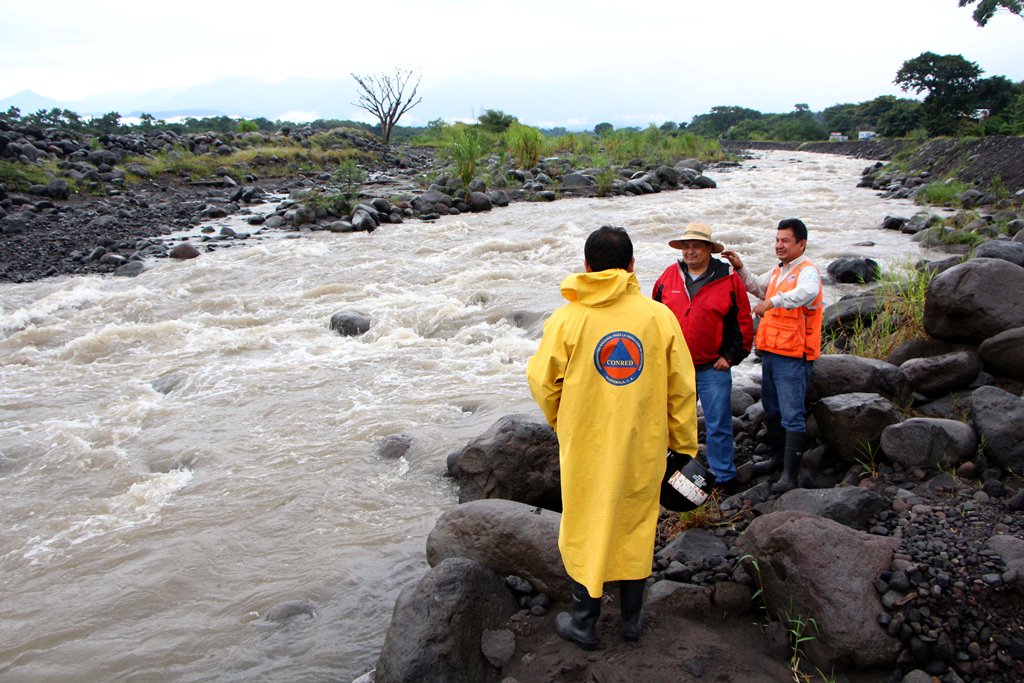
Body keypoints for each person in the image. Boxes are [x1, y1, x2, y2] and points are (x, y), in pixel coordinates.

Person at [526, 226, 698, 650]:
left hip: (585, 444)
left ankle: (585, 622)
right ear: (632, 266)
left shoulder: (568, 318)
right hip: (643, 444)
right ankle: (632, 622)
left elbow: (543, 382)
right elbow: (682, 389)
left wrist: (560, 421)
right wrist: (684, 447)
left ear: (586, 267)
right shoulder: (658, 317)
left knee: (585, 522)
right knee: (637, 523)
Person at [722, 218, 823, 494]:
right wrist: (739, 267)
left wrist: (773, 302)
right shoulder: (779, 272)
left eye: (785, 240)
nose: (779, 245)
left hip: (794, 355)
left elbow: (808, 293)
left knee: (792, 414)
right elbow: (756, 286)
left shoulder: (807, 271)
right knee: (773, 408)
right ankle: (777, 458)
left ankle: (790, 475)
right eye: (777, 240)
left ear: (801, 244)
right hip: (772, 352)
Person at [652, 223, 753, 494]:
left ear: (709, 249)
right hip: (676, 369)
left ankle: (724, 478)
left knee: (718, 423)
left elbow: (743, 322)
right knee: (673, 424)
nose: (690, 251)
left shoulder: (729, 279)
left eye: (696, 246)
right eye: (686, 246)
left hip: (712, 367)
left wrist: (732, 357)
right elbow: (654, 319)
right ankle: (675, 477)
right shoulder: (668, 277)